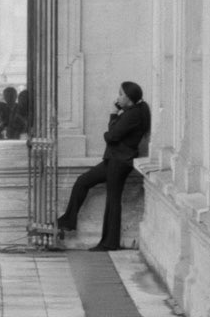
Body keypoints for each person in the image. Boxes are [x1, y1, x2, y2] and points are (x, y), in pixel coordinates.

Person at [56, 81, 151, 250]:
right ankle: (68, 220)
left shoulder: (133, 114)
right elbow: (114, 135)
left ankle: (109, 243)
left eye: (121, 94)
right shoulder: (131, 112)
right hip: (114, 159)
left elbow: (111, 136)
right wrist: (115, 120)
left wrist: (113, 115)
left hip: (119, 161)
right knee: (83, 181)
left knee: (113, 200)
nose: (118, 98)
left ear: (129, 98)